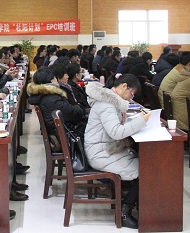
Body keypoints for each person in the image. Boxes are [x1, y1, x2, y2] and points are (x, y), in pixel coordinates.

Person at [83, 74, 151, 229]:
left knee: (144, 163)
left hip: (105, 148)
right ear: (124, 86)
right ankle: (124, 213)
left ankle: (136, 204)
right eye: (131, 93)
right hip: (101, 153)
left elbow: (115, 127)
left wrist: (137, 119)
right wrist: (141, 121)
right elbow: (115, 132)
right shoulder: (107, 104)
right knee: (145, 170)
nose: (131, 97)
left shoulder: (111, 100)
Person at [27, 67, 86, 137]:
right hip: (65, 132)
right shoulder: (51, 98)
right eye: (55, 78)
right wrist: (78, 106)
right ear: (51, 80)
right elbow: (74, 113)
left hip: (58, 129)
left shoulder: (42, 95)